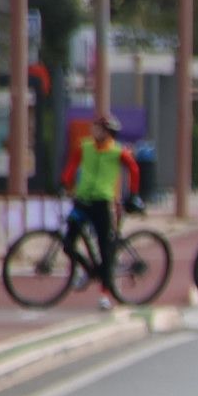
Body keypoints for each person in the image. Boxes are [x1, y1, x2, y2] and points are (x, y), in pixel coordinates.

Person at [61, 114, 142, 310]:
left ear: (107, 132)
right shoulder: (85, 146)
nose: (94, 131)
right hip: (82, 201)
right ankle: (88, 271)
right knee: (67, 244)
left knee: (105, 249)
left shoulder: (117, 151)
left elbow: (134, 169)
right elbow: (72, 166)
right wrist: (65, 182)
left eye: (98, 128)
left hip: (103, 203)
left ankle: (104, 294)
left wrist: (132, 195)